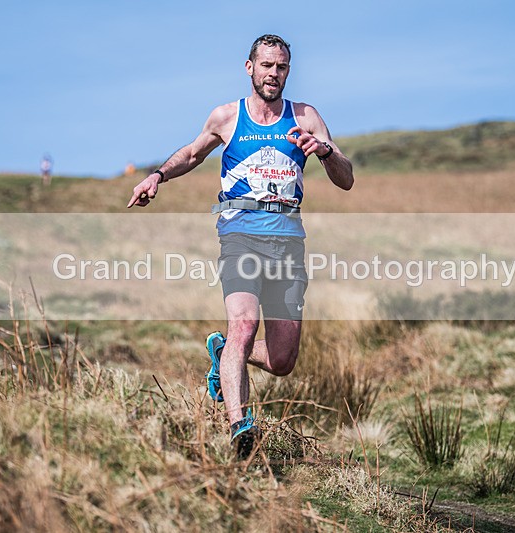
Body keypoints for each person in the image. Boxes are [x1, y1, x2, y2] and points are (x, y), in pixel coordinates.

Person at [127, 34, 354, 458]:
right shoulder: (228, 116)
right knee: (244, 326)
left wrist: (324, 152)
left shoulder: (305, 116)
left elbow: (346, 178)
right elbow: (193, 154)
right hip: (240, 233)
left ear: (289, 70)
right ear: (249, 67)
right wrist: (157, 176)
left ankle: (222, 350)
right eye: (266, 65)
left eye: (281, 67)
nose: (274, 74)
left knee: (283, 360)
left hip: (288, 240)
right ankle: (240, 428)